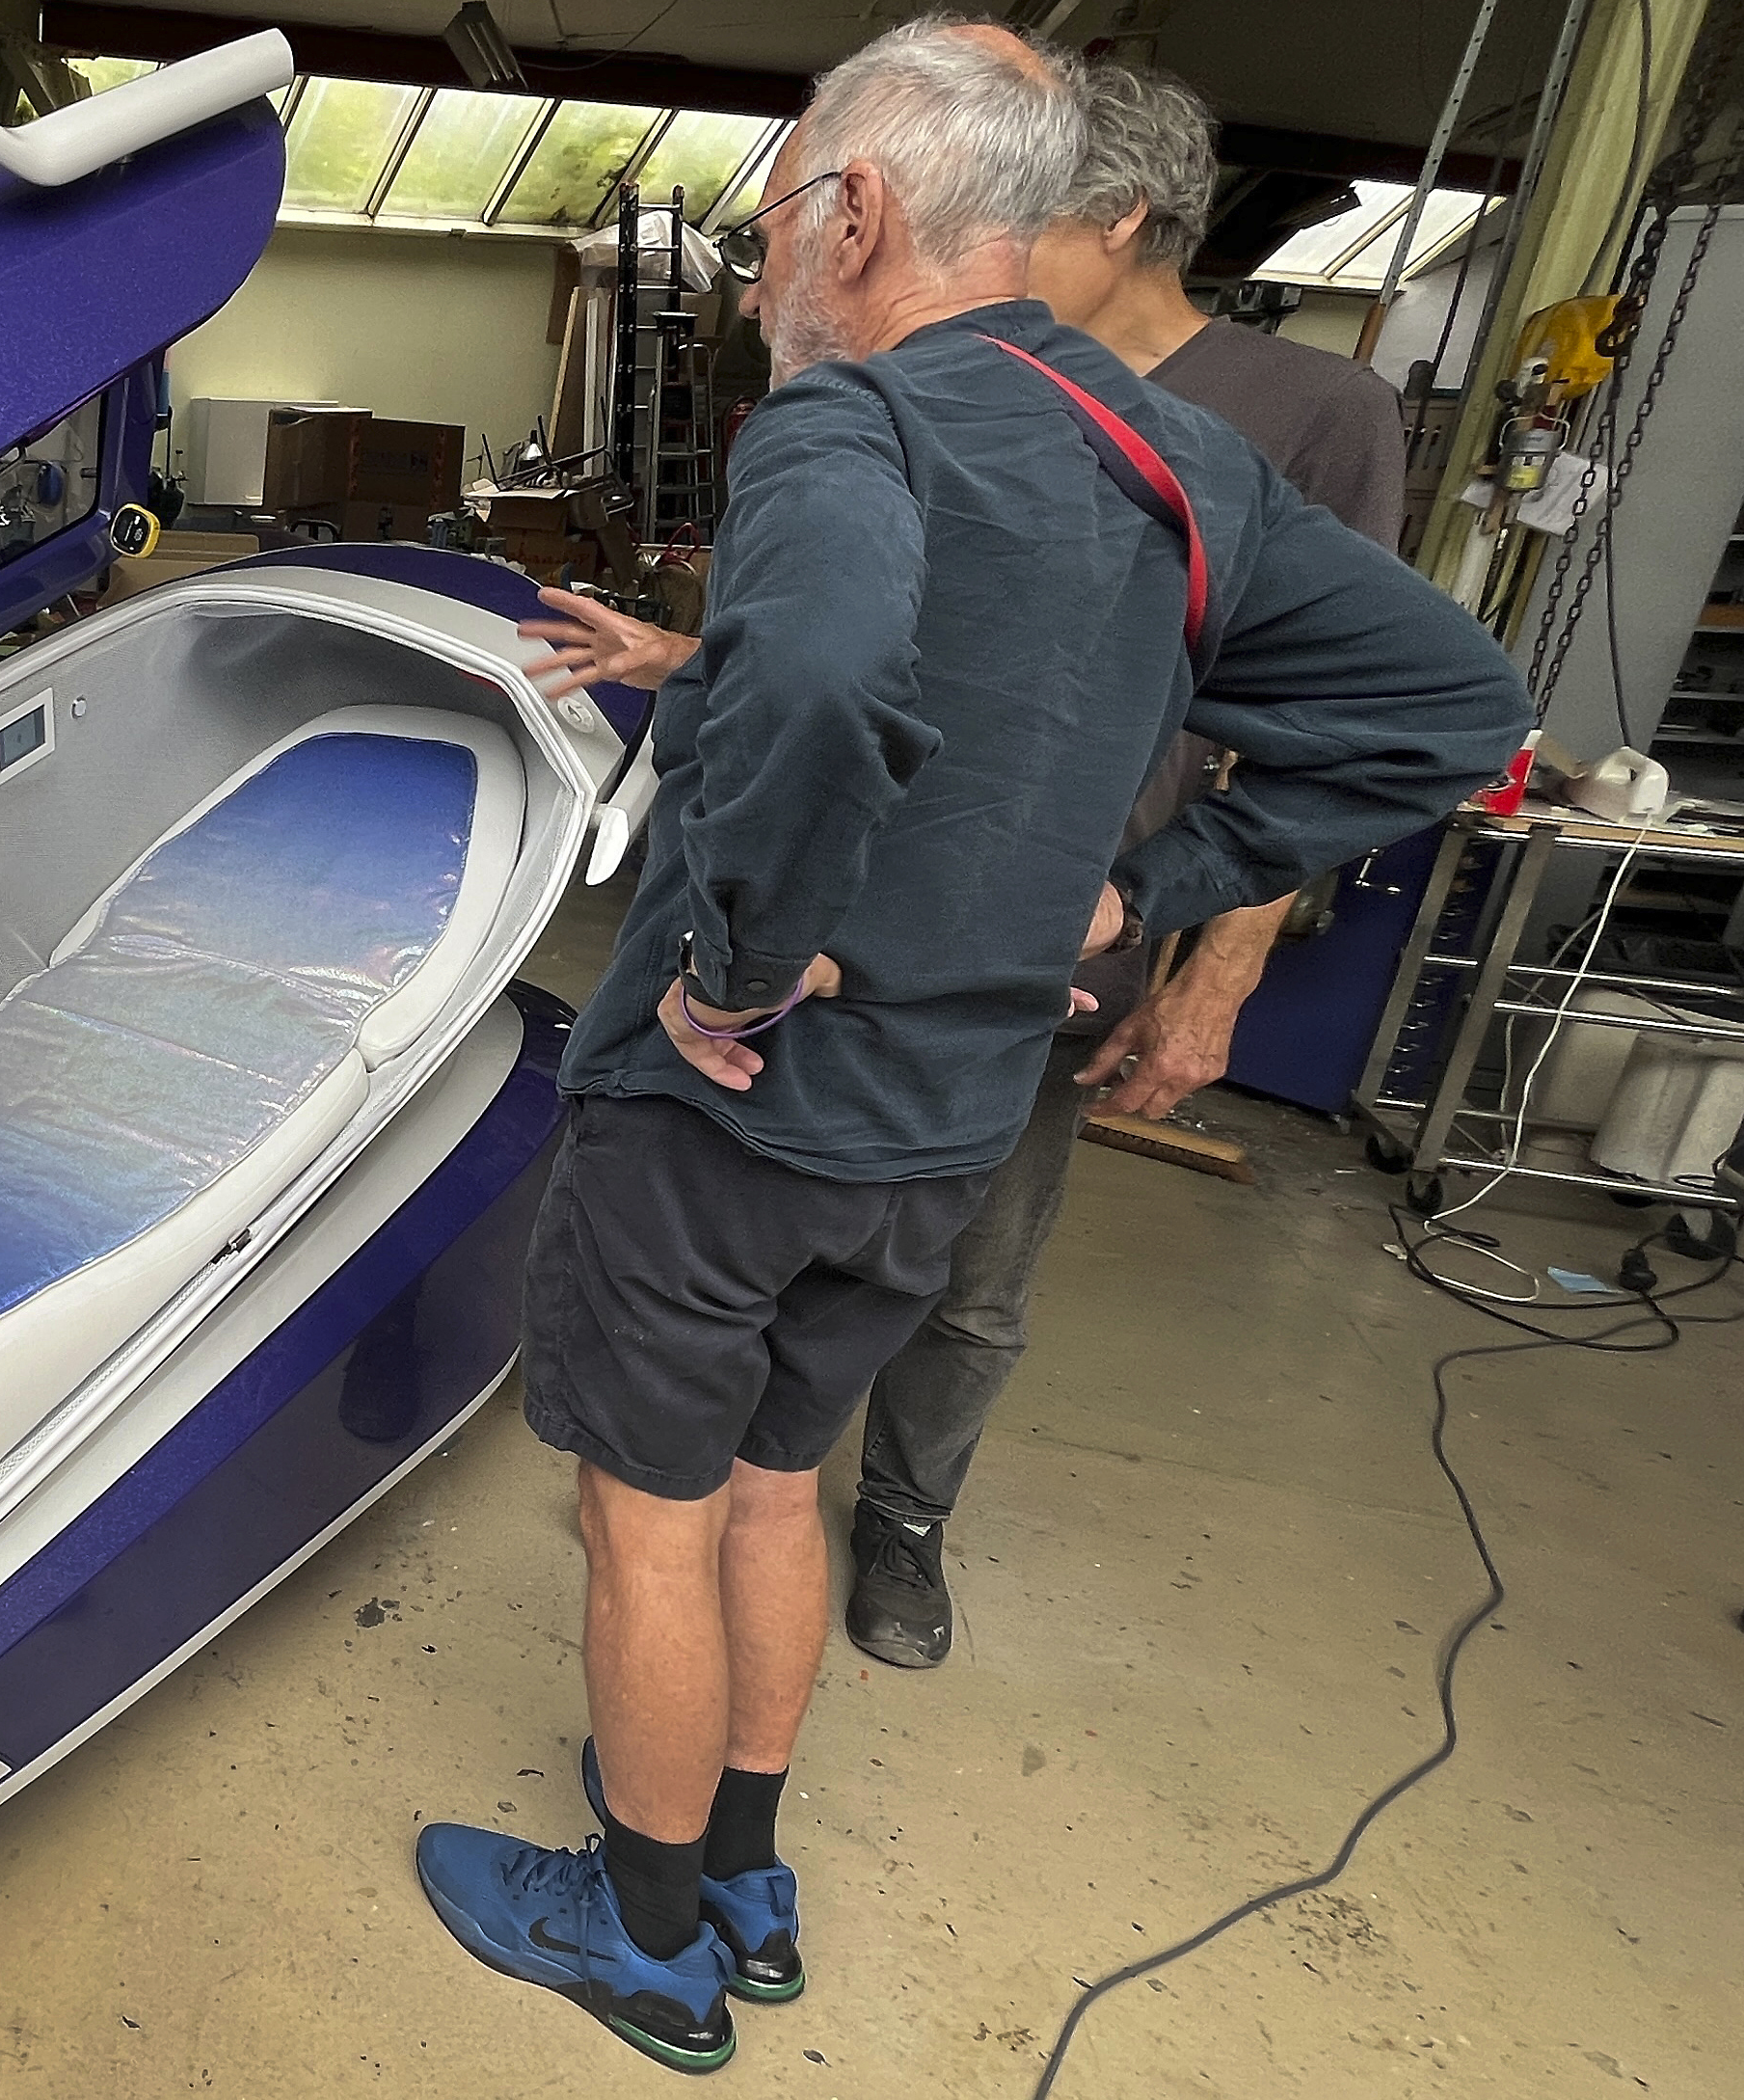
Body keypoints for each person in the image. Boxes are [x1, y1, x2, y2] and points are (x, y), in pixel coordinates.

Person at [414, 18, 1528, 2076]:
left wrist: (743, 962)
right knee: (776, 1486)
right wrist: (1160, 875)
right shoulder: (1172, 452)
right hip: (944, 1124)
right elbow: (1457, 710)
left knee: (642, 1514)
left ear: (855, 212)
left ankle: (638, 1939)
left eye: (765, 240)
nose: (759, 286)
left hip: (730, 1120)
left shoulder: (850, 428)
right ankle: (742, 1876)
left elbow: (829, 673)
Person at [843, 61, 1419, 1670]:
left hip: (1069, 926)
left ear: (1120, 216)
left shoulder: (1313, 417)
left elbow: (1323, 734)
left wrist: (1216, 972)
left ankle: (903, 1510)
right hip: (867, 889)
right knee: (779, 1214)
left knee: (975, 1263)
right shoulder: (962, 374)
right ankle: (733, 1473)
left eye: (1022, 205)